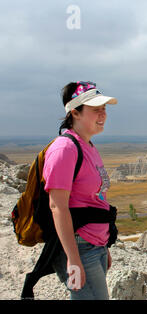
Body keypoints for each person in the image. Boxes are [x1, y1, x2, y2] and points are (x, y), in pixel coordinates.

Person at [43, 81, 118, 300]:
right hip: (80, 247)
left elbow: (95, 201)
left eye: (104, 109)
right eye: (96, 110)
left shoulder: (89, 146)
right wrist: (73, 259)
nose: (103, 114)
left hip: (95, 246)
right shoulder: (65, 149)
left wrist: (105, 246)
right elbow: (57, 206)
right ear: (75, 113)